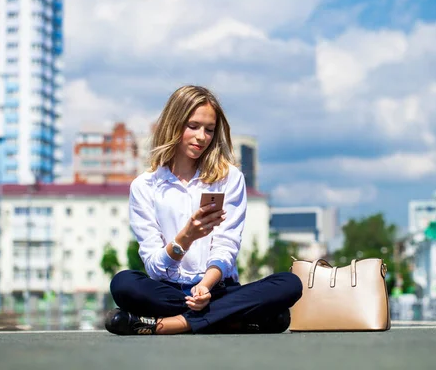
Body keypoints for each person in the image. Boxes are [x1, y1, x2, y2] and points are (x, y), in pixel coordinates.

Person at [105, 85, 303, 335]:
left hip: (218, 289)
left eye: (209, 130)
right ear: (173, 124)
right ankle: (234, 320)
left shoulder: (229, 178)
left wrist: (205, 287)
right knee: (123, 284)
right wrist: (185, 237)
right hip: (169, 293)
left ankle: (173, 324)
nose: (202, 137)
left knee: (289, 284)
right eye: (193, 126)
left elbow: (227, 244)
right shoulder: (145, 186)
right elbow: (154, 267)